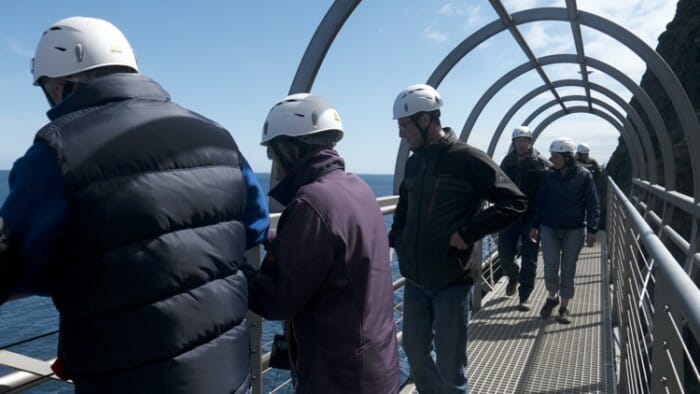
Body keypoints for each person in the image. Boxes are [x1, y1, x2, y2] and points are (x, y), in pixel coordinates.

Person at [0, 17, 269, 393]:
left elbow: (22, 264)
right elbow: (254, 226)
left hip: (129, 376)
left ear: (60, 85)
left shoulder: (56, 150)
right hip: (227, 375)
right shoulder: (217, 135)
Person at [246, 93, 400, 393]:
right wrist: (277, 238)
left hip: (338, 377)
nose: (273, 164)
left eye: (272, 153)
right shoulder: (357, 188)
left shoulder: (310, 203)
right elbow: (335, 249)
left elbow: (275, 297)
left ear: (289, 148)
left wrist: (233, 272)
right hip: (374, 364)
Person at [389, 84, 527, 393]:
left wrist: (468, 232)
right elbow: (404, 206)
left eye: (404, 126)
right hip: (414, 279)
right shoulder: (415, 162)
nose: (401, 134)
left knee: (451, 368)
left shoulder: (467, 159)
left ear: (425, 120)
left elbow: (515, 203)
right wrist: (396, 237)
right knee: (413, 350)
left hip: (451, 280)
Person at [530, 137, 599, 325]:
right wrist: (534, 226)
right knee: (550, 267)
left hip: (575, 230)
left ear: (567, 157)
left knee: (568, 269)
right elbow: (540, 202)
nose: (552, 159)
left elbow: (593, 204)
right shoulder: (548, 176)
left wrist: (592, 229)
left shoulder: (584, 176)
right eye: (552, 156)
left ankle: (563, 307)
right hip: (549, 228)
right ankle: (552, 297)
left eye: (556, 156)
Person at [498, 126, 551, 311]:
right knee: (504, 254)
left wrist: (541, 216)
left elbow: (545, 191)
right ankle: (513, 276)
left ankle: (524, 296)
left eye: (525, 140)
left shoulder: (539, 163)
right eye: (518, 141)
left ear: (530, 142)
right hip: (509, 217)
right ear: (514, 143)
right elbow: (498, 185)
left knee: (530, 258)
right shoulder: (507, 161)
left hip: (531, 219)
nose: (521, 144)